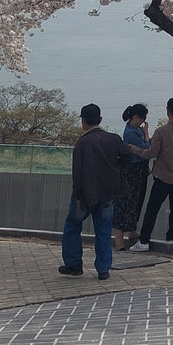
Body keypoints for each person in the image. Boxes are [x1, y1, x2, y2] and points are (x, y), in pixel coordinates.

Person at [61, 103, 136, 280]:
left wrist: (78, 195)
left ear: (83, 121)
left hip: (86, 192)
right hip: (108, 191)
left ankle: (73, 264)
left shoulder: (83, 143)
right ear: (100, 119)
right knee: (103, 229)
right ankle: (103, 269)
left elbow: (77, 172)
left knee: (72, 224)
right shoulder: (113, 139)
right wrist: (115, 168)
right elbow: (128, 156)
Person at [129, 96, 173, 250]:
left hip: (163, 177)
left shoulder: (161, 132)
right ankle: (171, 239)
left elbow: (151, 153)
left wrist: (134, 149)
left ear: (167, 110)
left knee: (152, 209)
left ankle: (144, 241)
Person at [112, 103, 151, 251]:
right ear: (135, 117)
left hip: (140, 169)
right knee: (127, 201)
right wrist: (146, 134)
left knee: (136, 200)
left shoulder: (135, 129)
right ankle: (119, 235)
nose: (143, 122)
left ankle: (132, 229)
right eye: (142, 118)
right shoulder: (130, 133)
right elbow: (146, 148)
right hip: (132, 169)